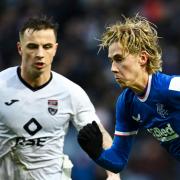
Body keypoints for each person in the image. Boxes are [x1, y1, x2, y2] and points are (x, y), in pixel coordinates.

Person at [0, 15, 120, 180]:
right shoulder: (2, 85)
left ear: (55, 49)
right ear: (20, 48)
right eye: (33, 47)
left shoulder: (70, 91)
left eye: (47, 46)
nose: (40, 54)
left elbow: (99, 133)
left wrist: (113, 173)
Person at [77, 14, 180, 173]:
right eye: (111, 60)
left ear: (142, 58)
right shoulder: (126, 103)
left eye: (119, 59)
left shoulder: (171, 87)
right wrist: (96, 152)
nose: (112, 68)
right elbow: (118, 160)